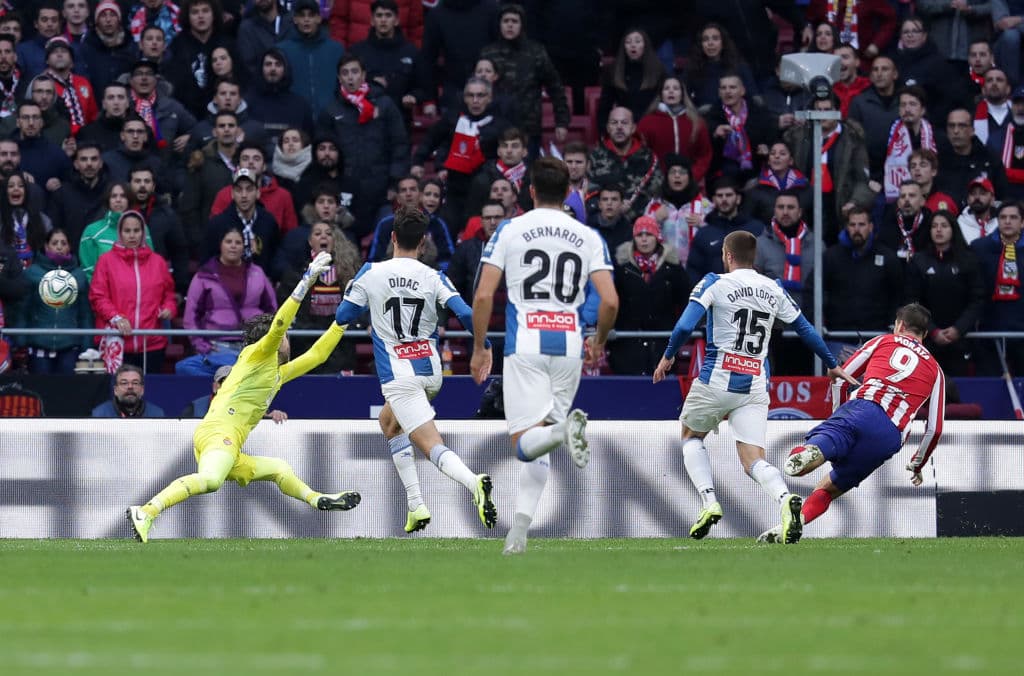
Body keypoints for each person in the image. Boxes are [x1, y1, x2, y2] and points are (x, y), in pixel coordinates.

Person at [126, 252, 360, 544]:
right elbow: (277, 327)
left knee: (278, 469)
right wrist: (306, 281)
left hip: (229, 441)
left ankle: (318, 500)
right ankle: (146, 511)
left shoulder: (276, 373)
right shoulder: (255, 355)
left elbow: (318, 354)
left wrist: (343, 319)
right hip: (219, 433)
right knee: (210, 481)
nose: (288, 338)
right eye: (286, 335)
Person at [652, 230, 854, 543]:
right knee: (753, 459)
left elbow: (683, 326)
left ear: (727, 256)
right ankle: (786, 500)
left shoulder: (714, 282)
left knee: (691, 437)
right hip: (755, 382)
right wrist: (831, 363)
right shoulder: (773, 288)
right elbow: (805, 329)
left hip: (717, 376)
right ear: (754, 257)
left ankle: (709, 502)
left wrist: (667, 357)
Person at [470, 156, 619, 555]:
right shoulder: (588, 236)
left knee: (524, 442)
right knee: (542, 439)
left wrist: (479, 346)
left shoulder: (510, 230)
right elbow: (609, 301)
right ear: (570, 191)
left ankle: (561, 432)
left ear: (530, 191)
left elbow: (484, 295)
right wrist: (599, 339)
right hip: (569, 346)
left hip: (526, 345)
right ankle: (518, 534)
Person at [334, 207, 497, 534]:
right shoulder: (434, 276)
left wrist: (358, 292)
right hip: (430, 369)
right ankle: (416, 505)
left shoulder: (372, 272)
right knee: (389, 423)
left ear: (392, 237)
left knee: (430, 444)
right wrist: (484, 346)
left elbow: (342, 316)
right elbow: (466, 314)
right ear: (422, 243)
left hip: (399, 375)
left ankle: (473, 482)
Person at [776, 303, 945, 539]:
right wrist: (917, 464)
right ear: (925, 335)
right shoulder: (936, 371)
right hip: (890, 435)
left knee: (816, 448)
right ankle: (795, 523)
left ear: (900, 325)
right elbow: (935, 428)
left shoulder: (883, 341)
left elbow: (842, 378)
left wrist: (839, 414)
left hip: (863, 408)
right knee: (829, 488)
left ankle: (813, 451)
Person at [89, 210, 176, 373]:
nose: (132, 235)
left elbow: (169, 294)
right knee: (118, 393)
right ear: (119, 233)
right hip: (116, 343)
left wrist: (168, 308)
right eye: (127, 231)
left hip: (151, 343)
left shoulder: (158, 262)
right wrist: (116, 317)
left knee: (151, 392)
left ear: (143, 232)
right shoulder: (106, 261)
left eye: (136, 230)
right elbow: (98, 296)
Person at [906, 210, 986, 377]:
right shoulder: (918, 261)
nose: (939, 230)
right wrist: (932, 330)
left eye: (944, 226)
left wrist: (958, 329)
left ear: (953, 229)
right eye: (934, 226)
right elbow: (912, 301)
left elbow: (977, 299)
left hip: (962, 340)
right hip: (927, 340)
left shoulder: (968, 261)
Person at [184, 225, 277, 364]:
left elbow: (272, 311)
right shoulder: (204, 275)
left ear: (243, 247)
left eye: (238, 242)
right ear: (220, 245)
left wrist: (265, 342)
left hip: (253, 347)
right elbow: (190, 317)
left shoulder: (257, 272)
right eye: (228, 242)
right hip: (217, 348)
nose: (233, 246)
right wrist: (202, 346)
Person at [610, 216, 690, 375]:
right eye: (640, 235)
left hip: (663, 345)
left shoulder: (673, 268)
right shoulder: (620, 268)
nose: (644, 240)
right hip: (627, 347)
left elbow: (686, 301)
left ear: (657, 238)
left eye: (649, 235)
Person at [15, 228, 92, 374]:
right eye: (55, 242)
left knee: (67, 394)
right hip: (39, 346)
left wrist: (87, 345)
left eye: (63, 243)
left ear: (69, 247)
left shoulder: (79, 276)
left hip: (70, 347)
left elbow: (85, 314)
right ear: (46, 246)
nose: (59, 247)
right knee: (40, 392)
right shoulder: (32, 273)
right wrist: (20, 341)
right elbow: (22, 309)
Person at [637, 76, 712, 183]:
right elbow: (641, 153)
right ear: (661, 94)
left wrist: (693, 176)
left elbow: (704, 154)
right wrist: (654, 177)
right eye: (667, 88)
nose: (671, 91)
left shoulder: (696, 122)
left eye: (676, 88)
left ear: (682, 94)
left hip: (691, 182)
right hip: (657, 182)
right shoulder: (647, 122)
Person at [92, 364, 166, 417]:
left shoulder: (156, 414)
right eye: (124, 383)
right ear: (115, 390)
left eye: (135, 383)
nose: (130, 387)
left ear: (142, 390)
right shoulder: (100, 414)